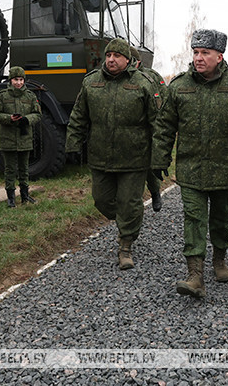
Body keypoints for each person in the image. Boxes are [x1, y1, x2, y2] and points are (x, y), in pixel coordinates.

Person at [153, 29, 228, 298]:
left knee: (221, 217)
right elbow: (165, 125)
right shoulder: (179, 86)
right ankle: (195, 275)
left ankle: (219, 259)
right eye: (195, 52)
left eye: (205, 53)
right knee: (193, 218)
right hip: (191, 167)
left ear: (219, 56)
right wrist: (159, 157)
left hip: (226, 166)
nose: (199, 58)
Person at [65, 38, 160, 270]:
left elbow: (158, 123)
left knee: (130, 202)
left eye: (117, 56)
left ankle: (125, 245)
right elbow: (79, 116)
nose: (111, 60)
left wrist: (159, 155)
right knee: (102, 200)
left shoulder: (144, 82)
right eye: (108, 55)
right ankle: (130, 219)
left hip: (134, 157)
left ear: (127, 59)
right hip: (100, 156)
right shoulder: (91, 82)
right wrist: (72, 144)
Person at [0, 66, 42, 207]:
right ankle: (11, 198)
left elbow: (37, 114)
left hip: (24, 138)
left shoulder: (30, 96)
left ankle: (25, 196)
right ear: (10, 80)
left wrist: (26, 119)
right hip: (8, 138)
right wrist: (9, 118)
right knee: (10, 169)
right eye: (15, 79)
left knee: (24, 169)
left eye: (21, 80)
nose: (18, 83)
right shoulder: (1, 96)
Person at [130, 45, 166, 212]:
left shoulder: (151, 76)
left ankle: (155, 192)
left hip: (147, 129)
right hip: (126, 131)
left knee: (149, 167)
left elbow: (164, 98)